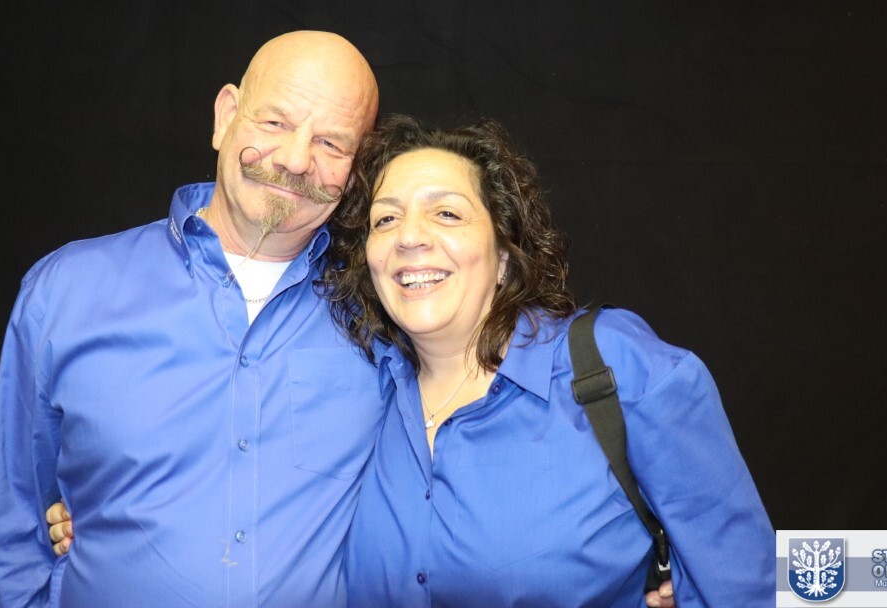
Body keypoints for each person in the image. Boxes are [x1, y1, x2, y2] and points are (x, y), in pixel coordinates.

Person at [0, 31, 387, 607]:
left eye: (331, 143)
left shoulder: (385, 314)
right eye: (274, 122)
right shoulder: (67, 291)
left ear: (357, 169)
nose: (294, 159)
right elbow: (10, 537)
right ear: (226, 116)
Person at [318, 114, 776, 606]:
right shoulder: (367, 393)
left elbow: (777, 584)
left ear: (504, 255)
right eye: (385, 219)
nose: (409, 237)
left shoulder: (616, 367)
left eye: (447, 213)